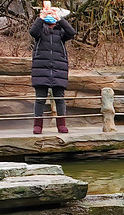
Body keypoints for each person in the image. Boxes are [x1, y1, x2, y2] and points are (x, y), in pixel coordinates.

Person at [29, 3, 76, 134]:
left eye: (52, 14)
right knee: (40, 99)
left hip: (58, 68)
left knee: (59, 98)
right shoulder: (40, 29)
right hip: (41, 69)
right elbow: (33, 32)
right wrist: (41, 17)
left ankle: (61, 124)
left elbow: (72, 33)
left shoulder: (61, 31)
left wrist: (60, 19)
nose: (50, 17)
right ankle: (38, 125)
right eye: (49, 14)